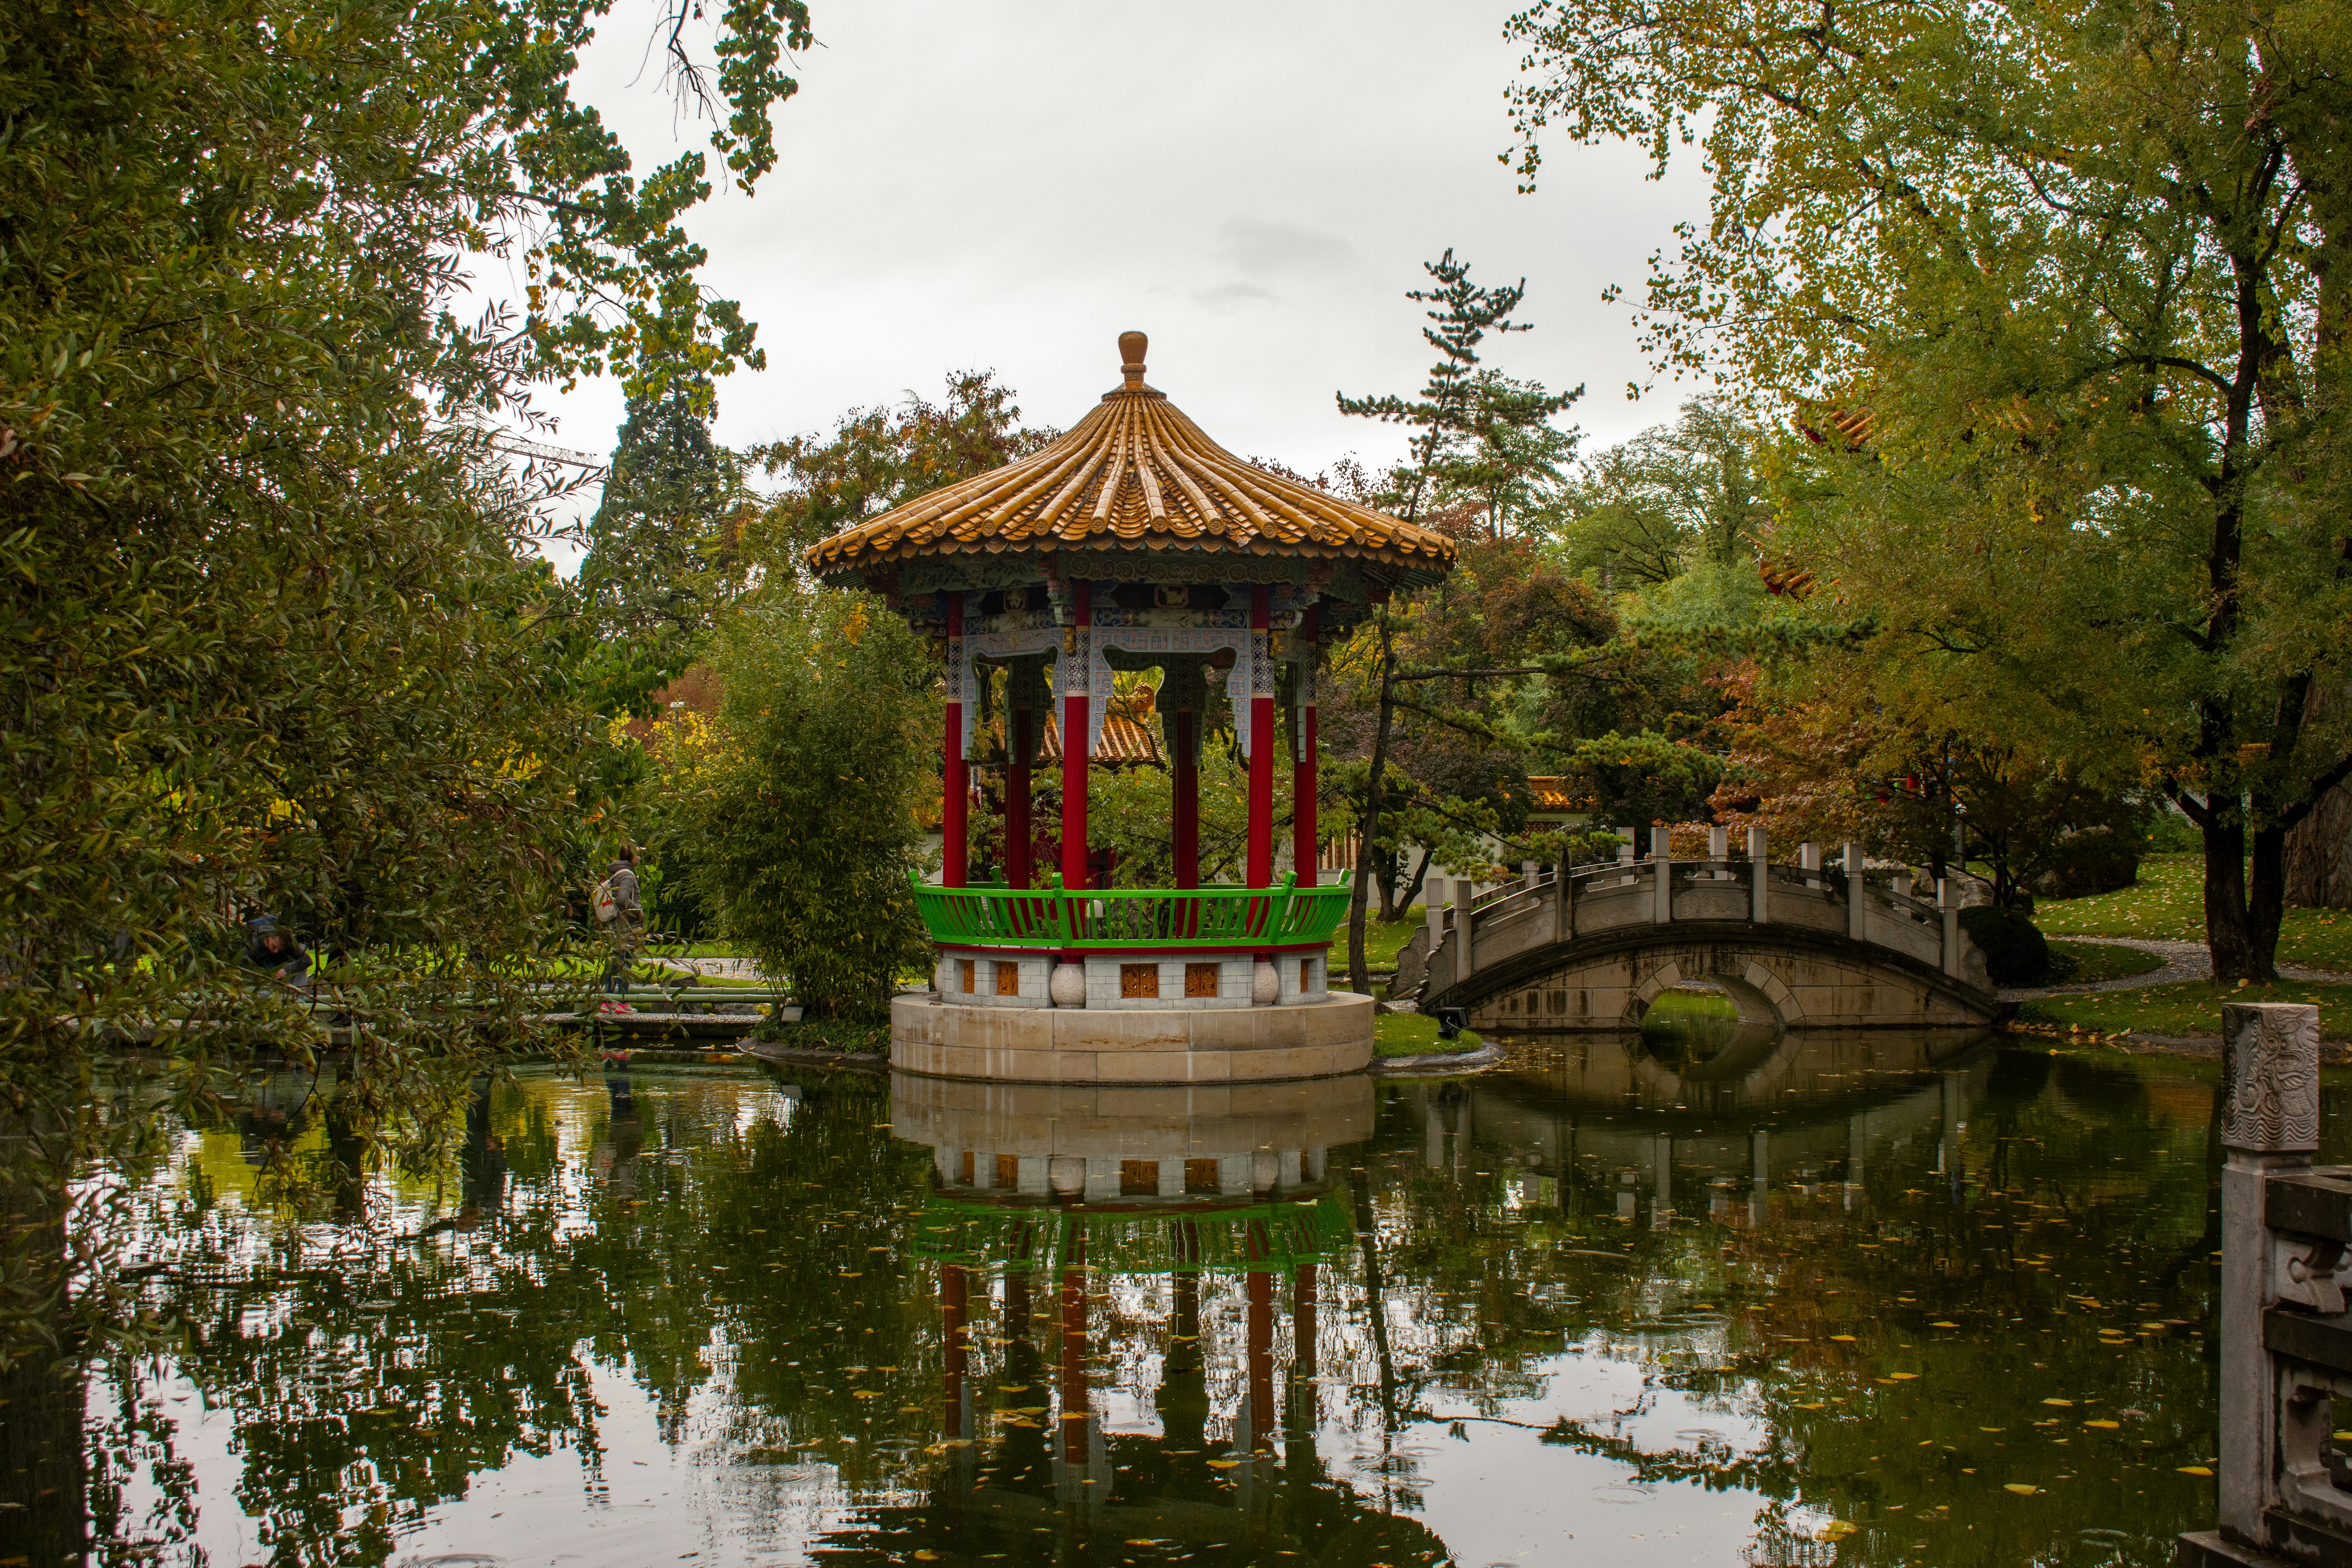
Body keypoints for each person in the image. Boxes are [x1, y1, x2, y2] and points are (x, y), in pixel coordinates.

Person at [593, 848, 645, 1013]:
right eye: (637, 854)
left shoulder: (617, 873)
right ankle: (623, 1002)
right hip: (626, 925)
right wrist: (639, 912)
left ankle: (607, 1001)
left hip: (616, 924)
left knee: (616, 963)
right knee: (625, 962)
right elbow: (623, 899)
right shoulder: (628, 875)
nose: (639, 857)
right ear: (631, 857)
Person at [244, 915, 312, 986]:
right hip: (264, 981)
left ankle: (298, 996)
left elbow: (307, 960)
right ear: (270, 937)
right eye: (274, 947)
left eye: (280, 950)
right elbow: (241, 965)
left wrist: (287, 970)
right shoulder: (253, 945)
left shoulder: (288, 941)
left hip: (281, 976)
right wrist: (255, 979)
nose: (276, 951)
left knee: (302, 970)